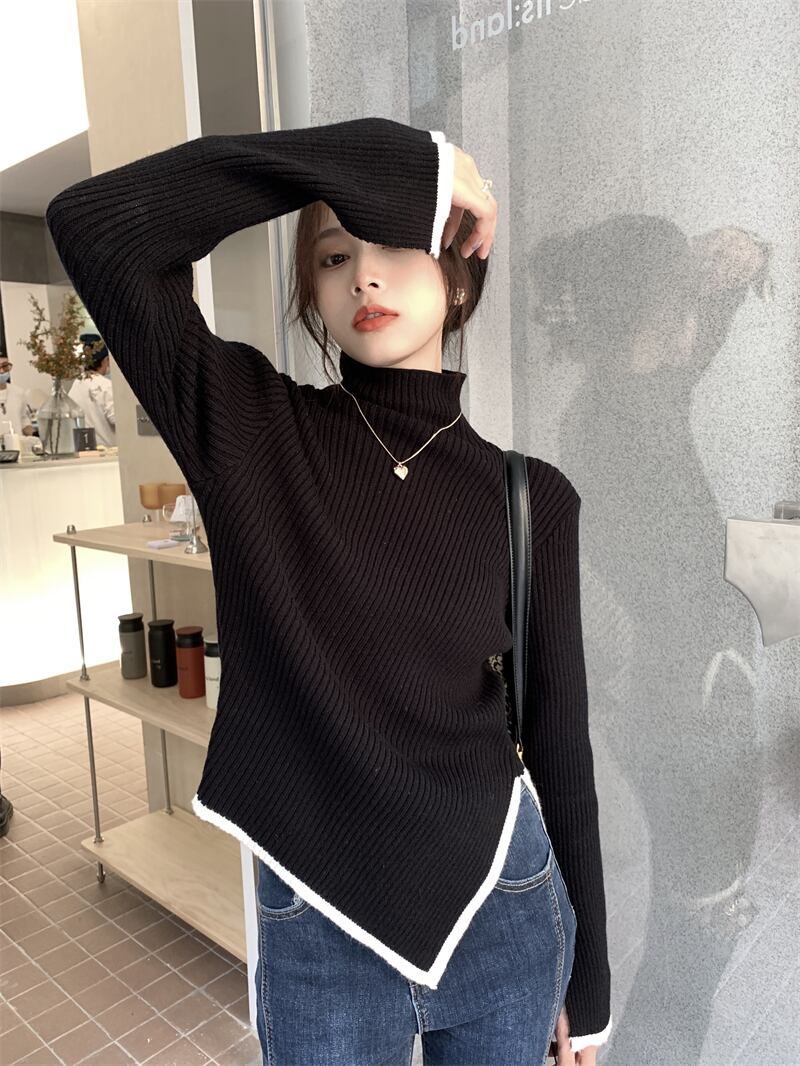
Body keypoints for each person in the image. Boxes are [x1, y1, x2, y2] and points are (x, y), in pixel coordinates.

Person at [46, 116, 611, 1065]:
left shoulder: (530, 497)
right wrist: (403, 165)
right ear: (311, 291)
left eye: (397, 243)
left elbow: (559, 738)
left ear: (458, 276)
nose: (366, 279)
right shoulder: (251, 433)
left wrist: (587, 988)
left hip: (504, 907)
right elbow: (97, 226)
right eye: (336, 256)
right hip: (319, 919)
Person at [67, 333, 116, 447]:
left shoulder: (76, 383)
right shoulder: (105, 386)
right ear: (105, 360)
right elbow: (118, 420)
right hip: (109, 451)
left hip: (83, 449)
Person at [0, 355, 36, 438]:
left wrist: (36, 435)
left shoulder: (18, 392)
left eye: (5, 366)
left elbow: (24, 421)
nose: (2, 371)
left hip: (17, 443)